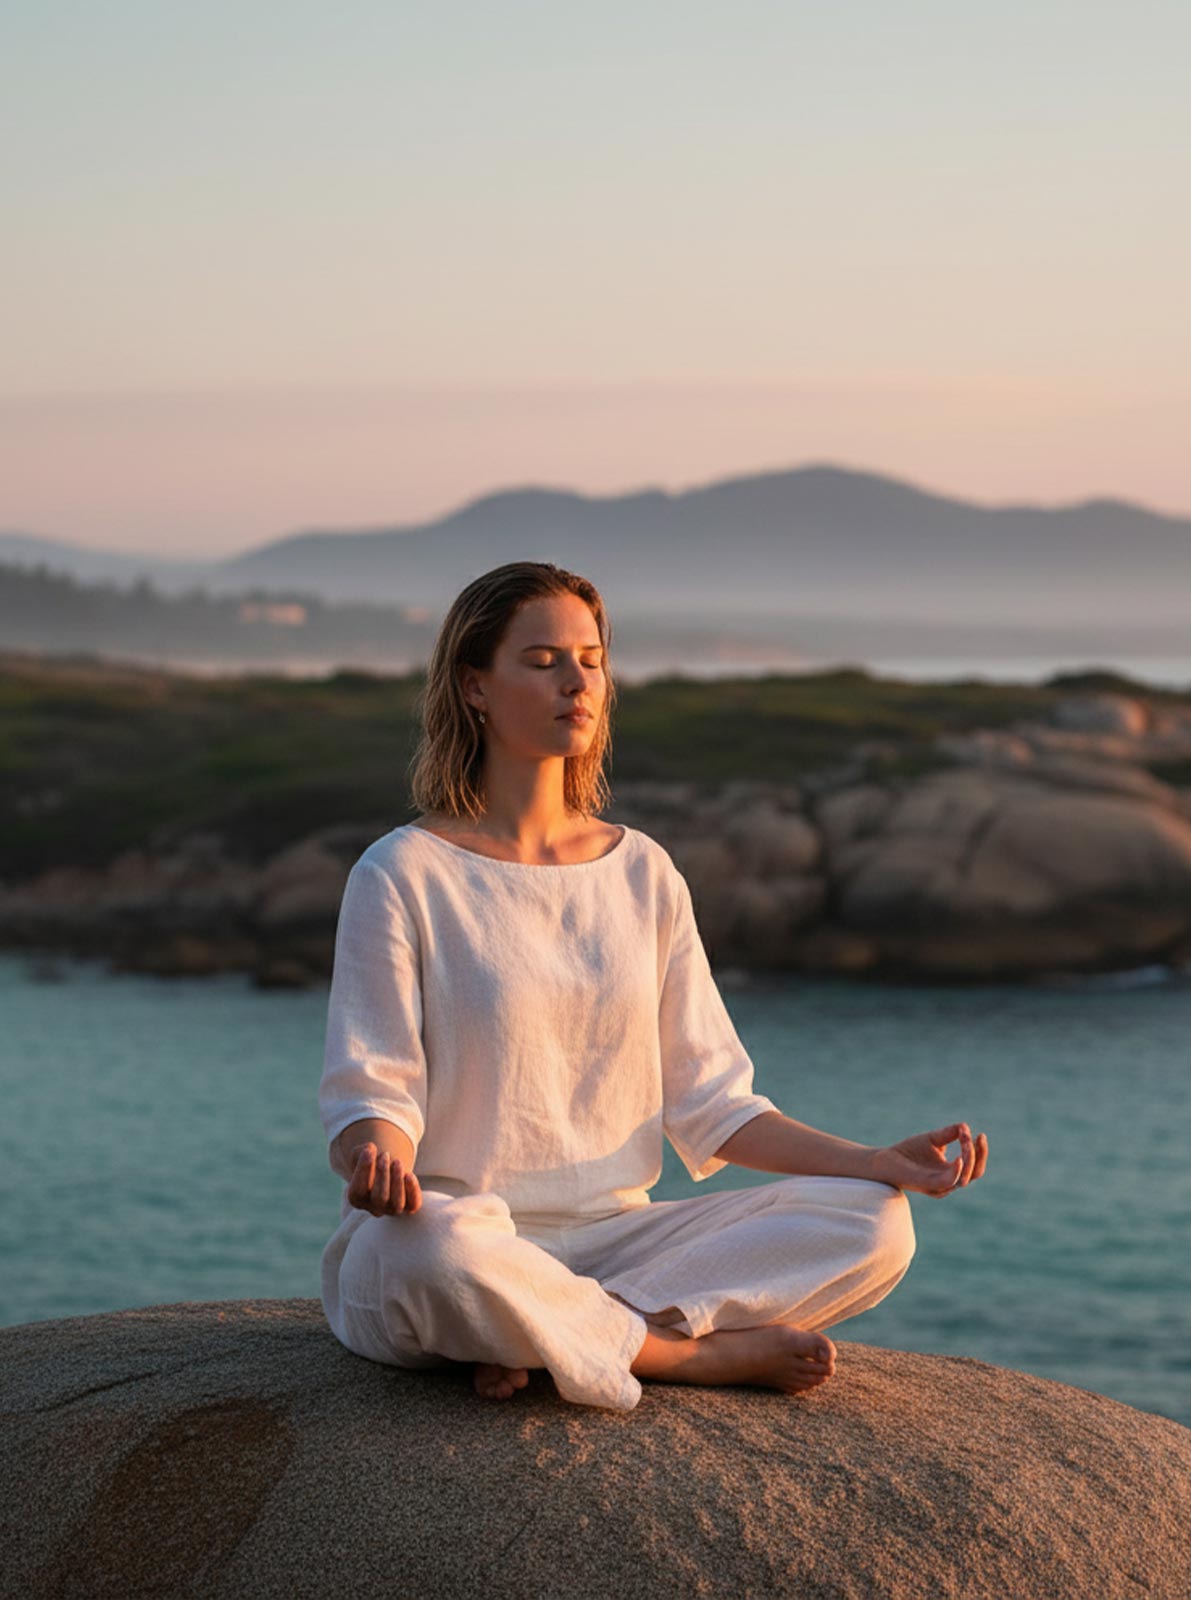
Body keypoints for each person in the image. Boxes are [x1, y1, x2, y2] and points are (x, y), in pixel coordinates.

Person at [317, 560, 988, 1412]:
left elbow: (716, 1104)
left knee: (875, 1224)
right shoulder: (403, 872)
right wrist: (381, 1160)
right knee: (426, 1255)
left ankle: (553, 1337)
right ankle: (678, 1356)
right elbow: (371, 1091)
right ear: (474, 686)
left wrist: (875, 1161)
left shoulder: (642, 871)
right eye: (543, 660)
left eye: (591, 659)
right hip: (465, 1233)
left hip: (623, 1245)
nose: (577, 682)